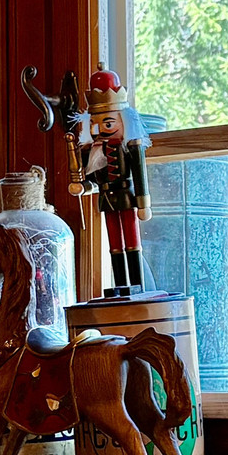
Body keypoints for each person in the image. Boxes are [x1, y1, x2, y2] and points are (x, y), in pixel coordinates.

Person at [74, 64, 153, 296]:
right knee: (114, 244)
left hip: (126, 197)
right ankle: (120, 283)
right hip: (106, 199)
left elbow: (139, 174)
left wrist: (144, 203)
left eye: (108, 124)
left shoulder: (131, 147)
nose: (100, 130)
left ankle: (137, 283)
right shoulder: (91, 151)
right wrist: (82, 186)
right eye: (95, 125)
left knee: (132, 240)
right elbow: (91, 180)